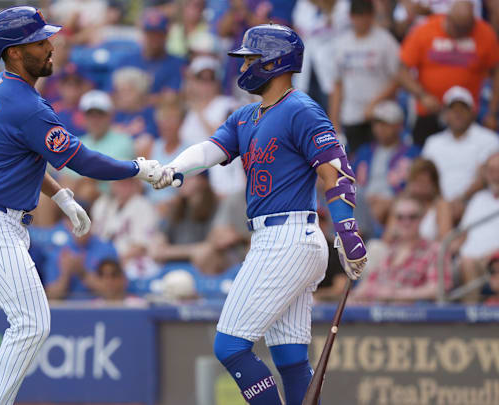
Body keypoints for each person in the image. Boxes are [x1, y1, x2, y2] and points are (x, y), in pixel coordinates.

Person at [0, 7, 161, 404]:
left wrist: (60, 195)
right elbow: (84, 160)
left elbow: (22, 158)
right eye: (39, 42)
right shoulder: (25, 104)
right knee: (32, 323)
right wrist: (137, 168)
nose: (49, 45)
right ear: (14, 53)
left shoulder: (3, 88)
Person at [151, 24, 367, 404]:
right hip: (280, 240)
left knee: (230, 346)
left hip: (288, 238)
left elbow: (335, 171)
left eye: (251, 58)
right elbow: (209, 149)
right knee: (290, 357)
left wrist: (347, 232)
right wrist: (175, 168)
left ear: (275, 61)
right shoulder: (246, 115)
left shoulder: (300, 108)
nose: (245, 65)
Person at [397, 0, 499, 145]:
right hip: (430, 113)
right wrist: (422, 95)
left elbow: (496, 72)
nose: (462, 34)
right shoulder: (425, 29)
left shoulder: (484, 32)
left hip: (466, 114)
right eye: (458, 29)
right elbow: (401, 70)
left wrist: (492, 112)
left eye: (467, 29)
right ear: (448, 18)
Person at [329, 0, 400, 154]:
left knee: (379, 157)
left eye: (365, 16)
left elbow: (398, 78)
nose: (361, 21)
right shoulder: (342, 44)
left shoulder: (386, 41)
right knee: (356, 162)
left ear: (372, 16)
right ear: (350, 17)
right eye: (357, 16)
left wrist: (375, 102)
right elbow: (337, 84)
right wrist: (334, 121)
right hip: (351, 115)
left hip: (380, 115)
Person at [350, 196, 450, 303]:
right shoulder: (389, 251)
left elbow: (438, 289)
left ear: (421, 218)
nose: (406, 222)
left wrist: (396, 294)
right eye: (400, 217)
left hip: (411, 315)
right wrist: (354, 296)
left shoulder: (434, 250)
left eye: (412, 217)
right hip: (378, 312)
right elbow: (368, 283)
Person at [421, 86, 499, 220]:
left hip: (475, 202)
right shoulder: (433, 142)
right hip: (436, 203)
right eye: (453, 109)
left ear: (472, 112)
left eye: (462, 109)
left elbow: (487, 175)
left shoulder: (488, 139)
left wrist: (461, 199)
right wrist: (439, 202)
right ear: (445, 114)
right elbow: (424, 176)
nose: (458, 113)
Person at [179, 56, 245, 197]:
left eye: (210, 79)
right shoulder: (188, 111)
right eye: (201, 79)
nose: (206, 84)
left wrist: (200, 112)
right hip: (194, 171)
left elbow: (224, 140)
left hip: (219, 170)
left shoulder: (228, 104)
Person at [353, 100, 419, 233]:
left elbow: (416, 185)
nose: (380, 128)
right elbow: (350, 180)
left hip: (393, 202)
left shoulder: (412, 153)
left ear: (399, 126)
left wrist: (391, 200)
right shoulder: (365, 151)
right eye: (376, 123)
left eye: (385, 124)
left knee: (379, 208)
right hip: (364, 200)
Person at [115, 8, 186, 99]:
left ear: (166, 35)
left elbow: (173, 98)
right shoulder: (126, 61)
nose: (154, 39)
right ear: (143, 34)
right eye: (150, 34)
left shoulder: (178, 64)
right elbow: (112, 95)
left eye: (159, 34)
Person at [457, 152, 499, 290]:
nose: (495, 175)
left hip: (492, 260)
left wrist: (494, 254)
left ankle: (471, 310)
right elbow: (463, 234)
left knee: (468, 263)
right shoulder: (478, 198)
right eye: (491, 170)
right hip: (466, 258)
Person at [404, 158, 452, 242]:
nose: (419, 187)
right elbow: (388, 237)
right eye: (416, 181)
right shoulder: (402, 204)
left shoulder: (441, 206)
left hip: (429, 253)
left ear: (434, 184)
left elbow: (445, 240)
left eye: (423, 182)